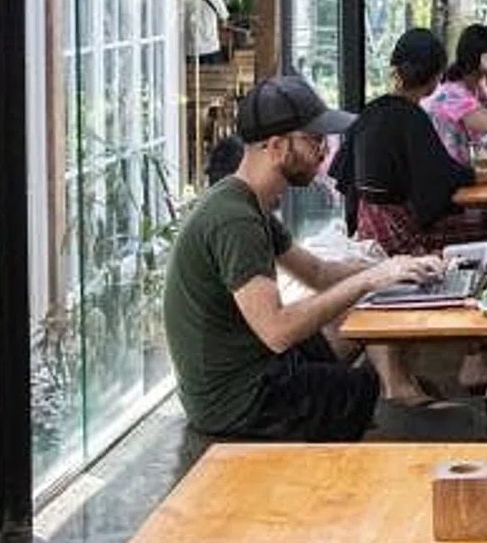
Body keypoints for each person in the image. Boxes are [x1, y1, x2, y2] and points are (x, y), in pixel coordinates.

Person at [163, 74, 449, 443]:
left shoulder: (246, 202)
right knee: (362, 390)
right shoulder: (235, 220)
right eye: (314, 140)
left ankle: (406, 395)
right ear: (278, 146)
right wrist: (368, 281)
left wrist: (392, 270)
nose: (324, 151)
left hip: (250, 367)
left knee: (359, 319)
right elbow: (277, 332)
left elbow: (317, 272)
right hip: (239, 399)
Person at [330, 28, 487, 258]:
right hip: (403, 242)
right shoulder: (412, 117)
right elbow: (450, 179)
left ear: (396, 69)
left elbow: (345, 177)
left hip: (369, 236)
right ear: (436, 77)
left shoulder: (371, 111)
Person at [423, 23, 487, 166]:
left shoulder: (472, 88)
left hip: (460, 174)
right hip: (451, 183)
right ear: (486, 57)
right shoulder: (455, 97)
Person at [186, 0, 229, 65]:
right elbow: (224, 23)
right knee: (212, 78)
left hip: (191, 49)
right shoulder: (217, 0)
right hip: (211, 48)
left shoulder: (186, 0)